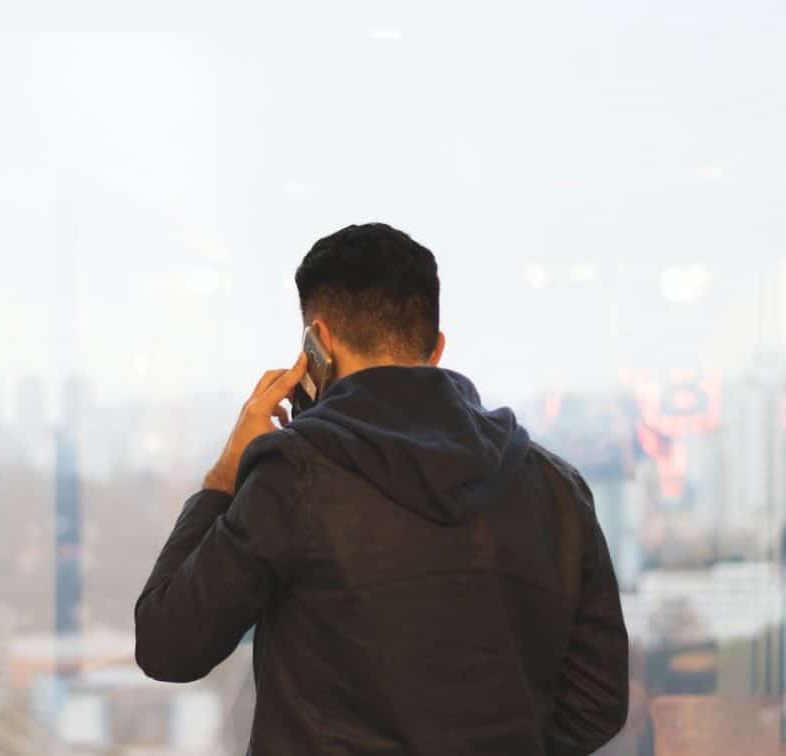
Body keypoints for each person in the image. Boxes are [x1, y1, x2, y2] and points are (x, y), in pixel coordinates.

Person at [134, 223, 629, 755]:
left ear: (318, 343)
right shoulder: (555, 486)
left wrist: (224, 476)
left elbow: (169, 644)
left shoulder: (292, 477)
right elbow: (598, 700)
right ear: (436, 349)